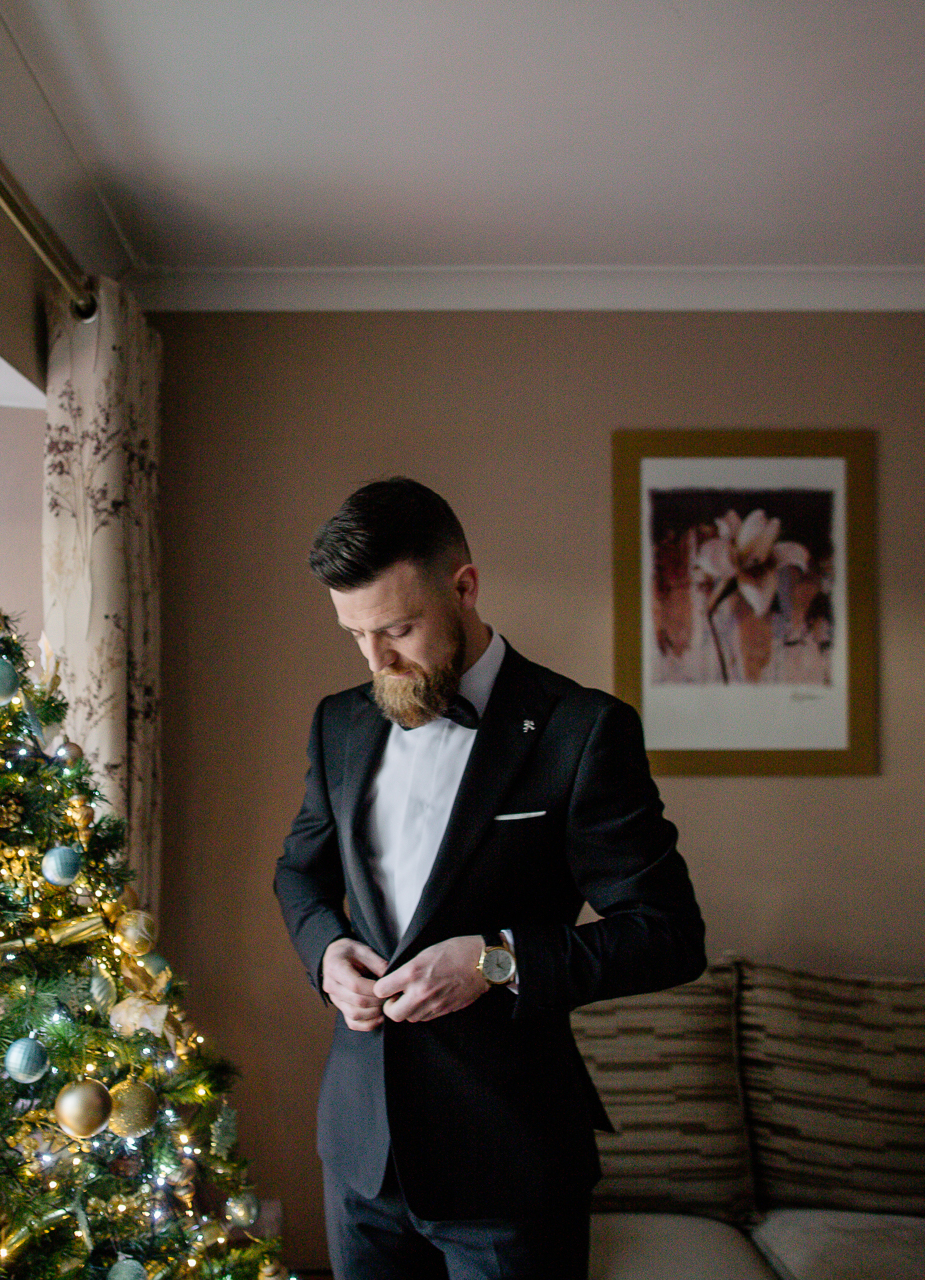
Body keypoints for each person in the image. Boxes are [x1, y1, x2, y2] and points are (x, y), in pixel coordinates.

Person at [274, 478, 706, 1279]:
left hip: (510, 1163)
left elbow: (669, 936)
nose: (377, 660)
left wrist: (491, 963)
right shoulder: (338, 722)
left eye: (398, 628)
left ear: (464, 588)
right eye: (355, 634)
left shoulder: (582, 732)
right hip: (361, 1154)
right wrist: (327, 954)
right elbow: (299, 874)